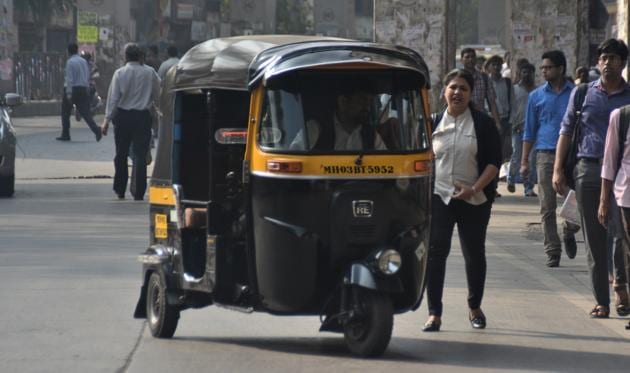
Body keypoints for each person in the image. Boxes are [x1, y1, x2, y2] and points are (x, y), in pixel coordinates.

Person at [554, 38, 630, 318]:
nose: (607, 63)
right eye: (603, 58)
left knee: (621, 234)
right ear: (598, 63)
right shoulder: (583, 93)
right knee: (595, 238)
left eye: (613, 58)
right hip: (588, 169)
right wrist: (558, 168)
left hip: (623, 174)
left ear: (623, 63)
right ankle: (602, 300)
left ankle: (621, 288)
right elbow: (566, 130)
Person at [422, 69, 501, 332]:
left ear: (470, 93)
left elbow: (493, 163)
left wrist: (474, 188)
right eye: (453, 87)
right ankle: (434, 313)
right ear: (444, 92)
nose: (457, 93)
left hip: (474, 200)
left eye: (463, 88)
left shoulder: (483, 123)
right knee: (436, 252)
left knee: (474, 254)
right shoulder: (431, 123)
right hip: (440, 197)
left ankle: (474, 307)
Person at [520, 50, 580, 268]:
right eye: (543, 67)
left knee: (577, 200)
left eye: (548, 67)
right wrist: (525, 160)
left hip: (572, 155)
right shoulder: (536, 96)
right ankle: (553, 251)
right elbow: (529, 130)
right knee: (547, 206)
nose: (544, 71)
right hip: (545, 154)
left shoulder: (576, 93)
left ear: (561, 69)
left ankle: (569, 229)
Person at [100, 43, 160, 201]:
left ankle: (120, 189)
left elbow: (113, 100)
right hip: (142, 118)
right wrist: (160, 113)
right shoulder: (150, 72)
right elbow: (158, 94)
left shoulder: (120, 73)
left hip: (123, 118)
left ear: (125, 57)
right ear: (140, 56)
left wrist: (106, 121)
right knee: (140, 155)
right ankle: (139, 191)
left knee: (121, 153)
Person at [290, 91, 386, 151]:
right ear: (343, 102)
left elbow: (386, 165)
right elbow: (294, 155)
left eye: (370, 102)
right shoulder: (317, 128)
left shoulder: (371, 135)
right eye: (361, 101)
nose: (367, 108)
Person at [57, 43, 102, 142]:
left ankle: (66, 134)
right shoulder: (83, 61)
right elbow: (86, 76)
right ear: (77, 50)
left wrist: (69, 93)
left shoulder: (70, 62)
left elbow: (69, 79)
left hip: (72, 89)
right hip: (83, 89)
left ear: (68, 51)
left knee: (65, 112)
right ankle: (96, 130)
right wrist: (86, 88)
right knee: (86, 113)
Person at [507, 62, 537, 196]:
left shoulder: (538, 91)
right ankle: (511, 179)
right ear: (520, 74)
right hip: (517, 128)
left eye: (529, 72)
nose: (526, 75)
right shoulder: (514, 89)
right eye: (524, 72)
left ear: (533, 74)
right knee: (516, 156)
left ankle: (528, 187)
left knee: (531, 159)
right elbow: (511, 109)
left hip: (532, 130)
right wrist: (513, 124)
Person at [485, 55, 515, 162]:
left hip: (505, 119)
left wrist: (511, 120)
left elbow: (512, 101)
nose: (496, 67)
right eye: (493, 64)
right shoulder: (485, 82)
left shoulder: (507, 82)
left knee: (503, 149)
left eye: (498, 64)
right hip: (490, 119)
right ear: (488, 67)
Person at [460, 48, 501, 126]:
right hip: (461, 121)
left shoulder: (484, 78)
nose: (470, 59)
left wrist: (497, 123)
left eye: (472, 57)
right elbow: (446, 101)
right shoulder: (455, 77)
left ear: (475, 59)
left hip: (480, 121)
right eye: (467, 57)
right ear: (461, 60)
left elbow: (492, 103)